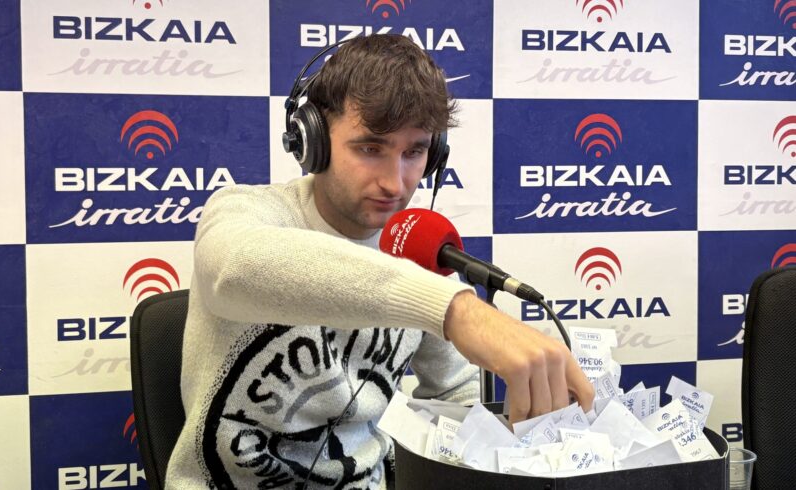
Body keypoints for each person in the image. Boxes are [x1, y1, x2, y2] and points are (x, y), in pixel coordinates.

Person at [165, 34, 593, 489]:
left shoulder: (419, 250)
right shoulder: (246, 212)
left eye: (414, 152)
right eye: (370, 148)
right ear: (312, 141)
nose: (395, 182)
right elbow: (232, 270)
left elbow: (454, 392)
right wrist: (454, 310)